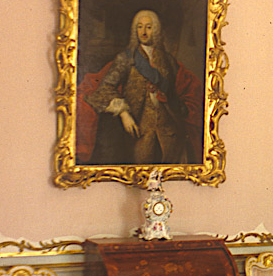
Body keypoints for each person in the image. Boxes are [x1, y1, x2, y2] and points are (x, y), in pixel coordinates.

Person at [80, 10, 203, 165]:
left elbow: (175, 92)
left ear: (156, 30)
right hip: (138, 129)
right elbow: (105, 88)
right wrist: (123, 113)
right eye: (140, 27)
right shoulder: (126, 58)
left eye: (148, 27)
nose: (143, 32)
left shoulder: (168, 60)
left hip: (169, 131)